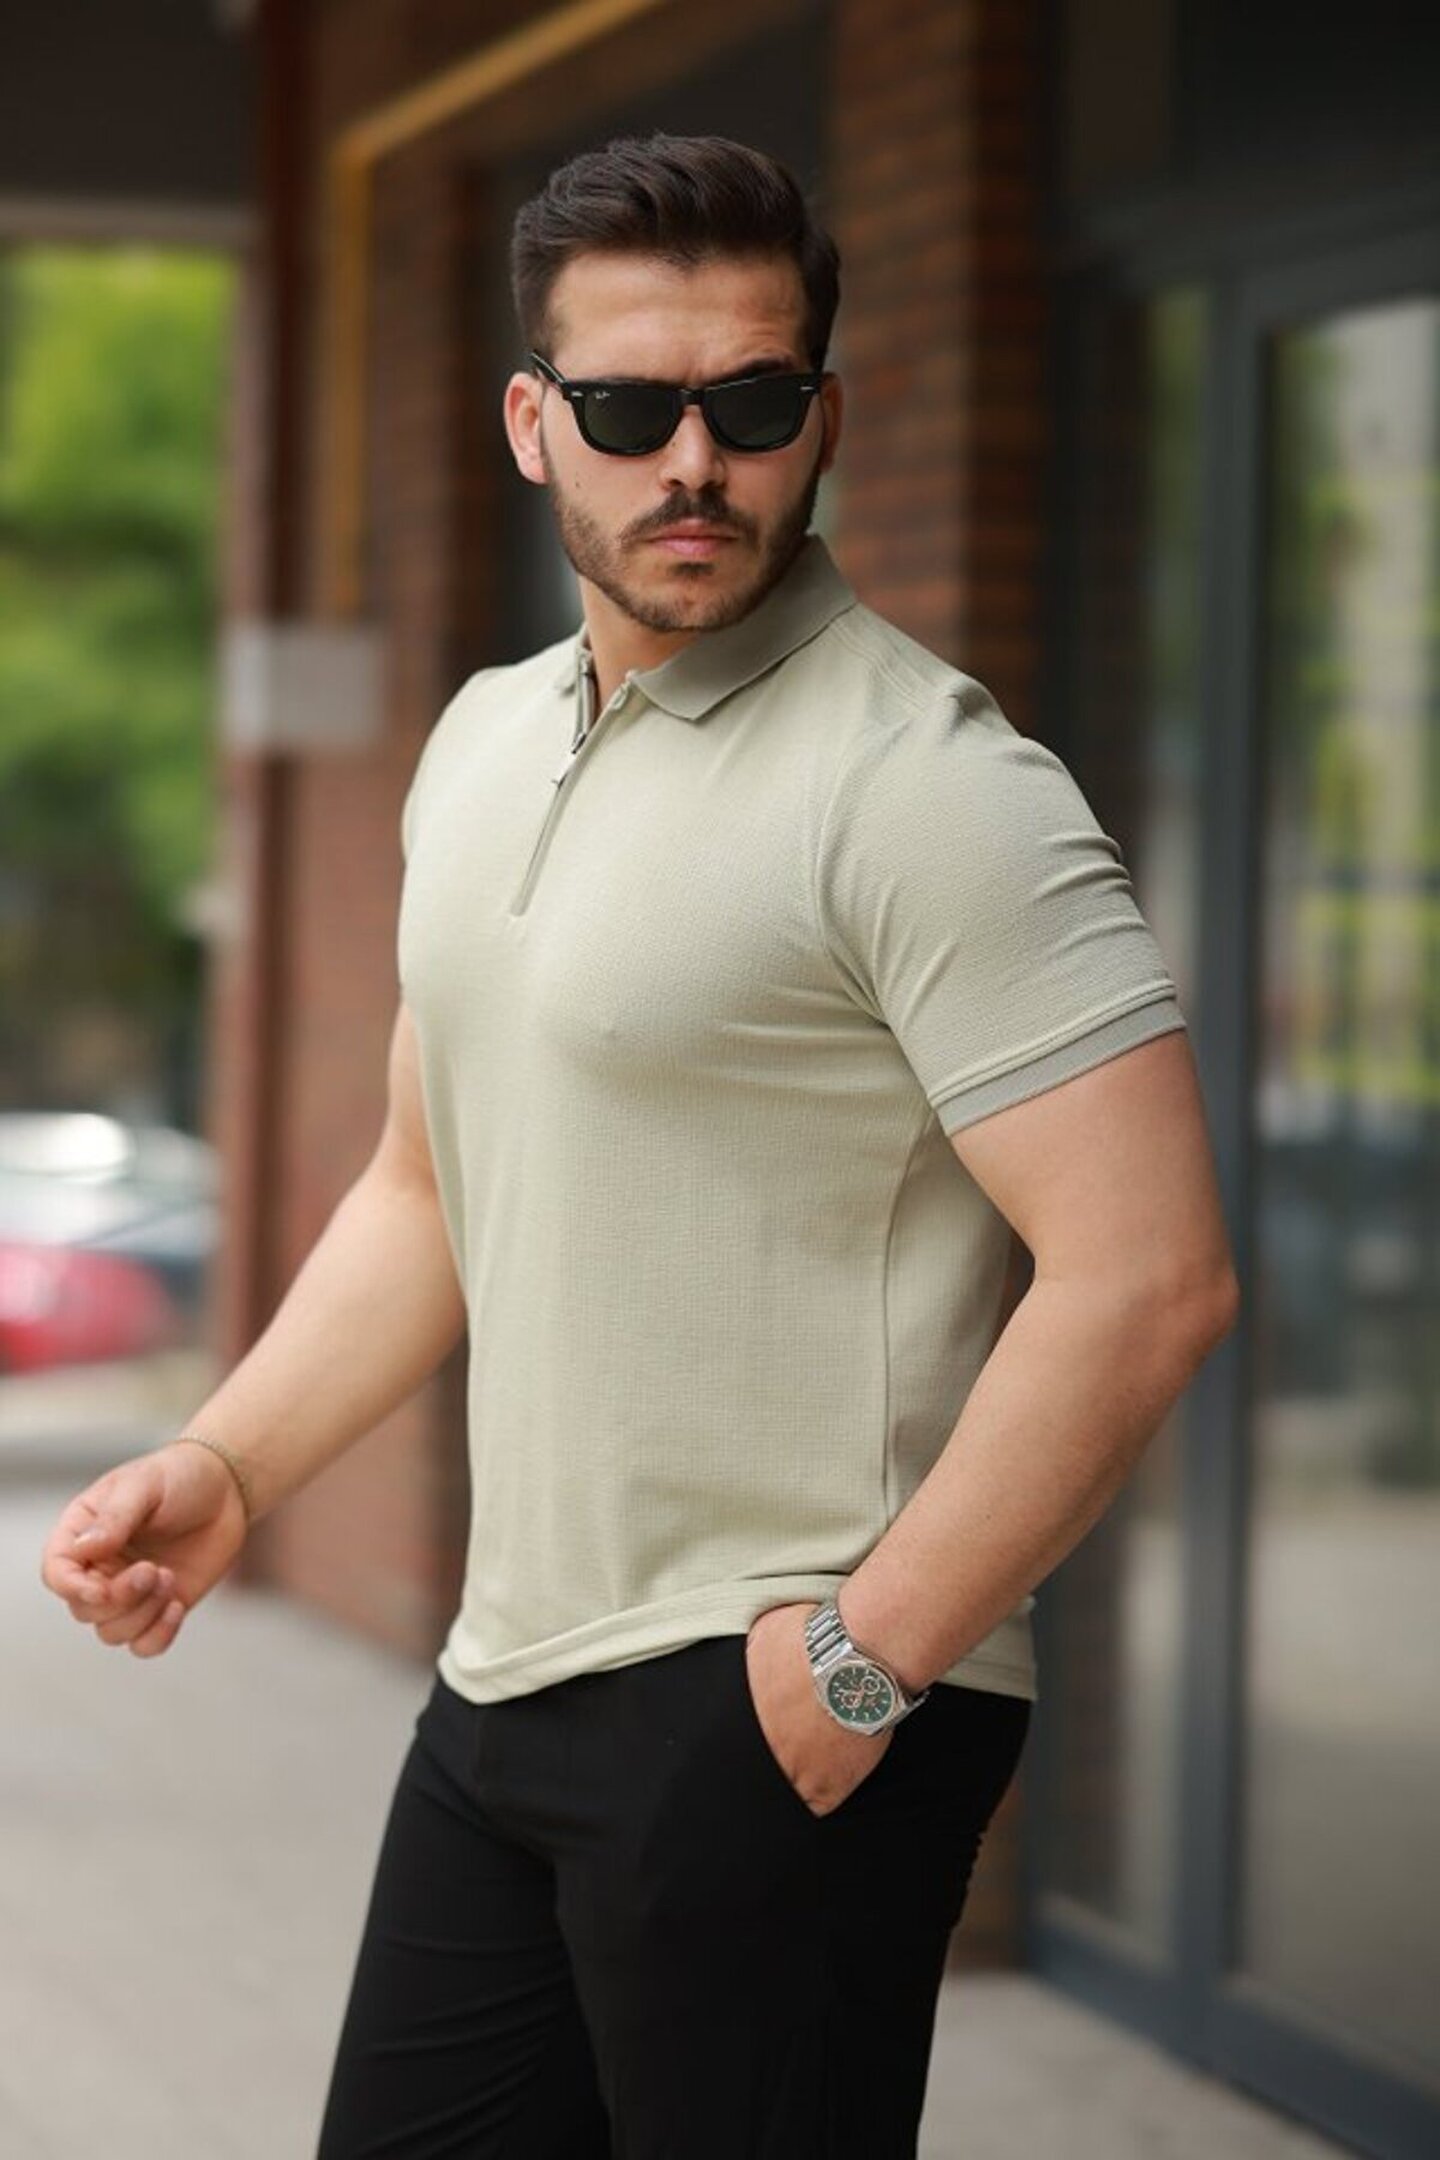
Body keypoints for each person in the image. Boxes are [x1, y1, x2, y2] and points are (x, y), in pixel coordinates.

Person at [40, 132, 1239, 2159]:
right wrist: (233, 1463)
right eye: (629, 410)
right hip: (506, 1672)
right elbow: (430, 1182)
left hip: (779, 1689)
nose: (695, 462)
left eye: (752, 405)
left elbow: (1151, 1274)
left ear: (822, 420)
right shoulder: (482, 741)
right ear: (533, 426)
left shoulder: (931, 785)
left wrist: (856, 1667)